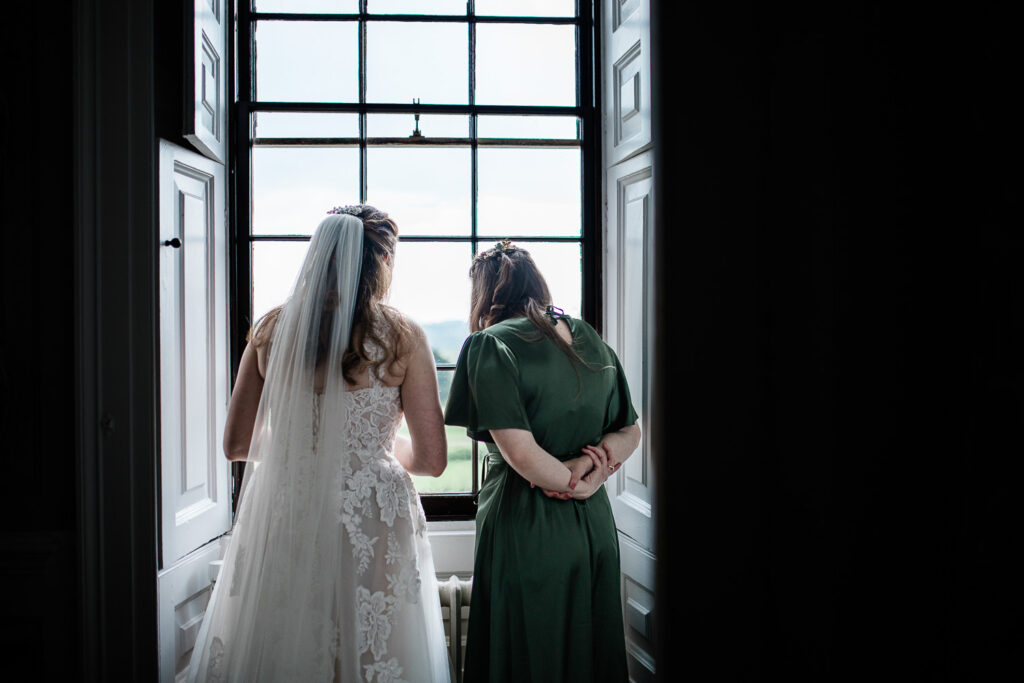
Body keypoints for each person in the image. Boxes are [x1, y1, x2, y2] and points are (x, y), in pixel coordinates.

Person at [188, 205, 453, 682]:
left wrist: (301, 447)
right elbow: (433, 460)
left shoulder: (271, 332)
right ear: (382, 262)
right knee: (374, 647)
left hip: (290, 503)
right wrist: (371, 451)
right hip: (372, 511)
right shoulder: (402, 337)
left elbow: (236, 445)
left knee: (289, 641)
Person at [444, 239, 641, 683]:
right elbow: (632, 429)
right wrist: (594, 473)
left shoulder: (489, 345)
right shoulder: (588, 337)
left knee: (529, 652)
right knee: (587, 650)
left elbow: (521, 453)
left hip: (527, 523)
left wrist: (570, 481)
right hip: (592, 523)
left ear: (484, 294)